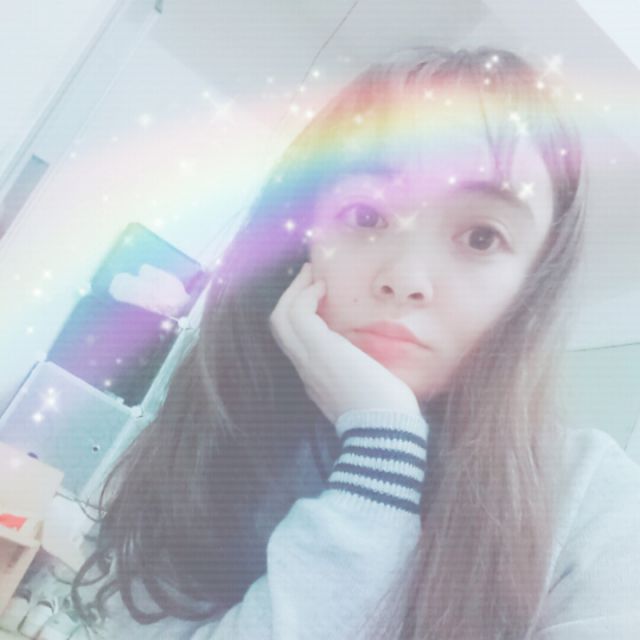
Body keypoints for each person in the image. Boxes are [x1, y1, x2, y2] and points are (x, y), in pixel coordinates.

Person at [71, 46, 640, 639]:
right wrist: (380, 458)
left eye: (480, 237)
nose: (405, 278)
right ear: (299, 242)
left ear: (534, 281)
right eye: (366, 216)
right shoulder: (213, 436)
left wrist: (381, 453)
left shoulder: (596, 504)